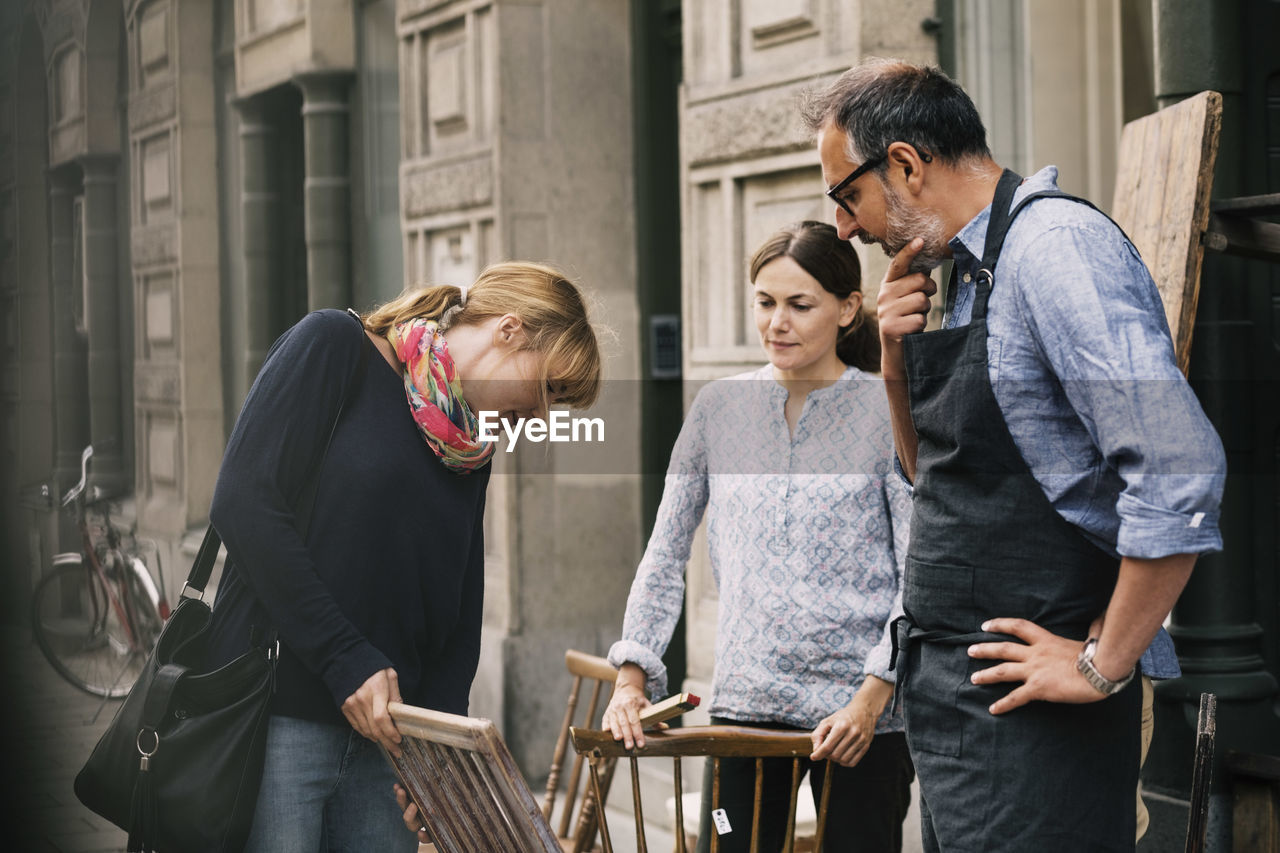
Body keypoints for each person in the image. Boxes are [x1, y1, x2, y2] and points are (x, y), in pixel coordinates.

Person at [801, 59, 1226, 852]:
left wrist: (1101, 663)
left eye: (846, 196)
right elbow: (938, 483)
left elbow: (1179, 468)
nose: (846, 229)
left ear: (904, 164)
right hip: (963, 717)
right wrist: (895, 362)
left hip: (1037, 734)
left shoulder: (1055, 250)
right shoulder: (962, 270)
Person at [204, 262, 602, 853]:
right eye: (547, 388)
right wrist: (346, 659)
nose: (541, 416)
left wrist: (437, 763)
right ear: (510, 329)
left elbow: (459, 610)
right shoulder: (335, 347)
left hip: (391, 751)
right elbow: (244, 502)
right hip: (277, 716)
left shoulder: (470, 444)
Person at [602, 221, 915, 853]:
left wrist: (874, 695)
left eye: (800, 305)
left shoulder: (888, 413)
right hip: (746, 708)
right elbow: (665, 552)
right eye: (766, 302)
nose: (778, 322)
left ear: (848, 307)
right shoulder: (718, 409)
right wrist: (632, 677)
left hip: (861, 723)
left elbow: (920, 568)